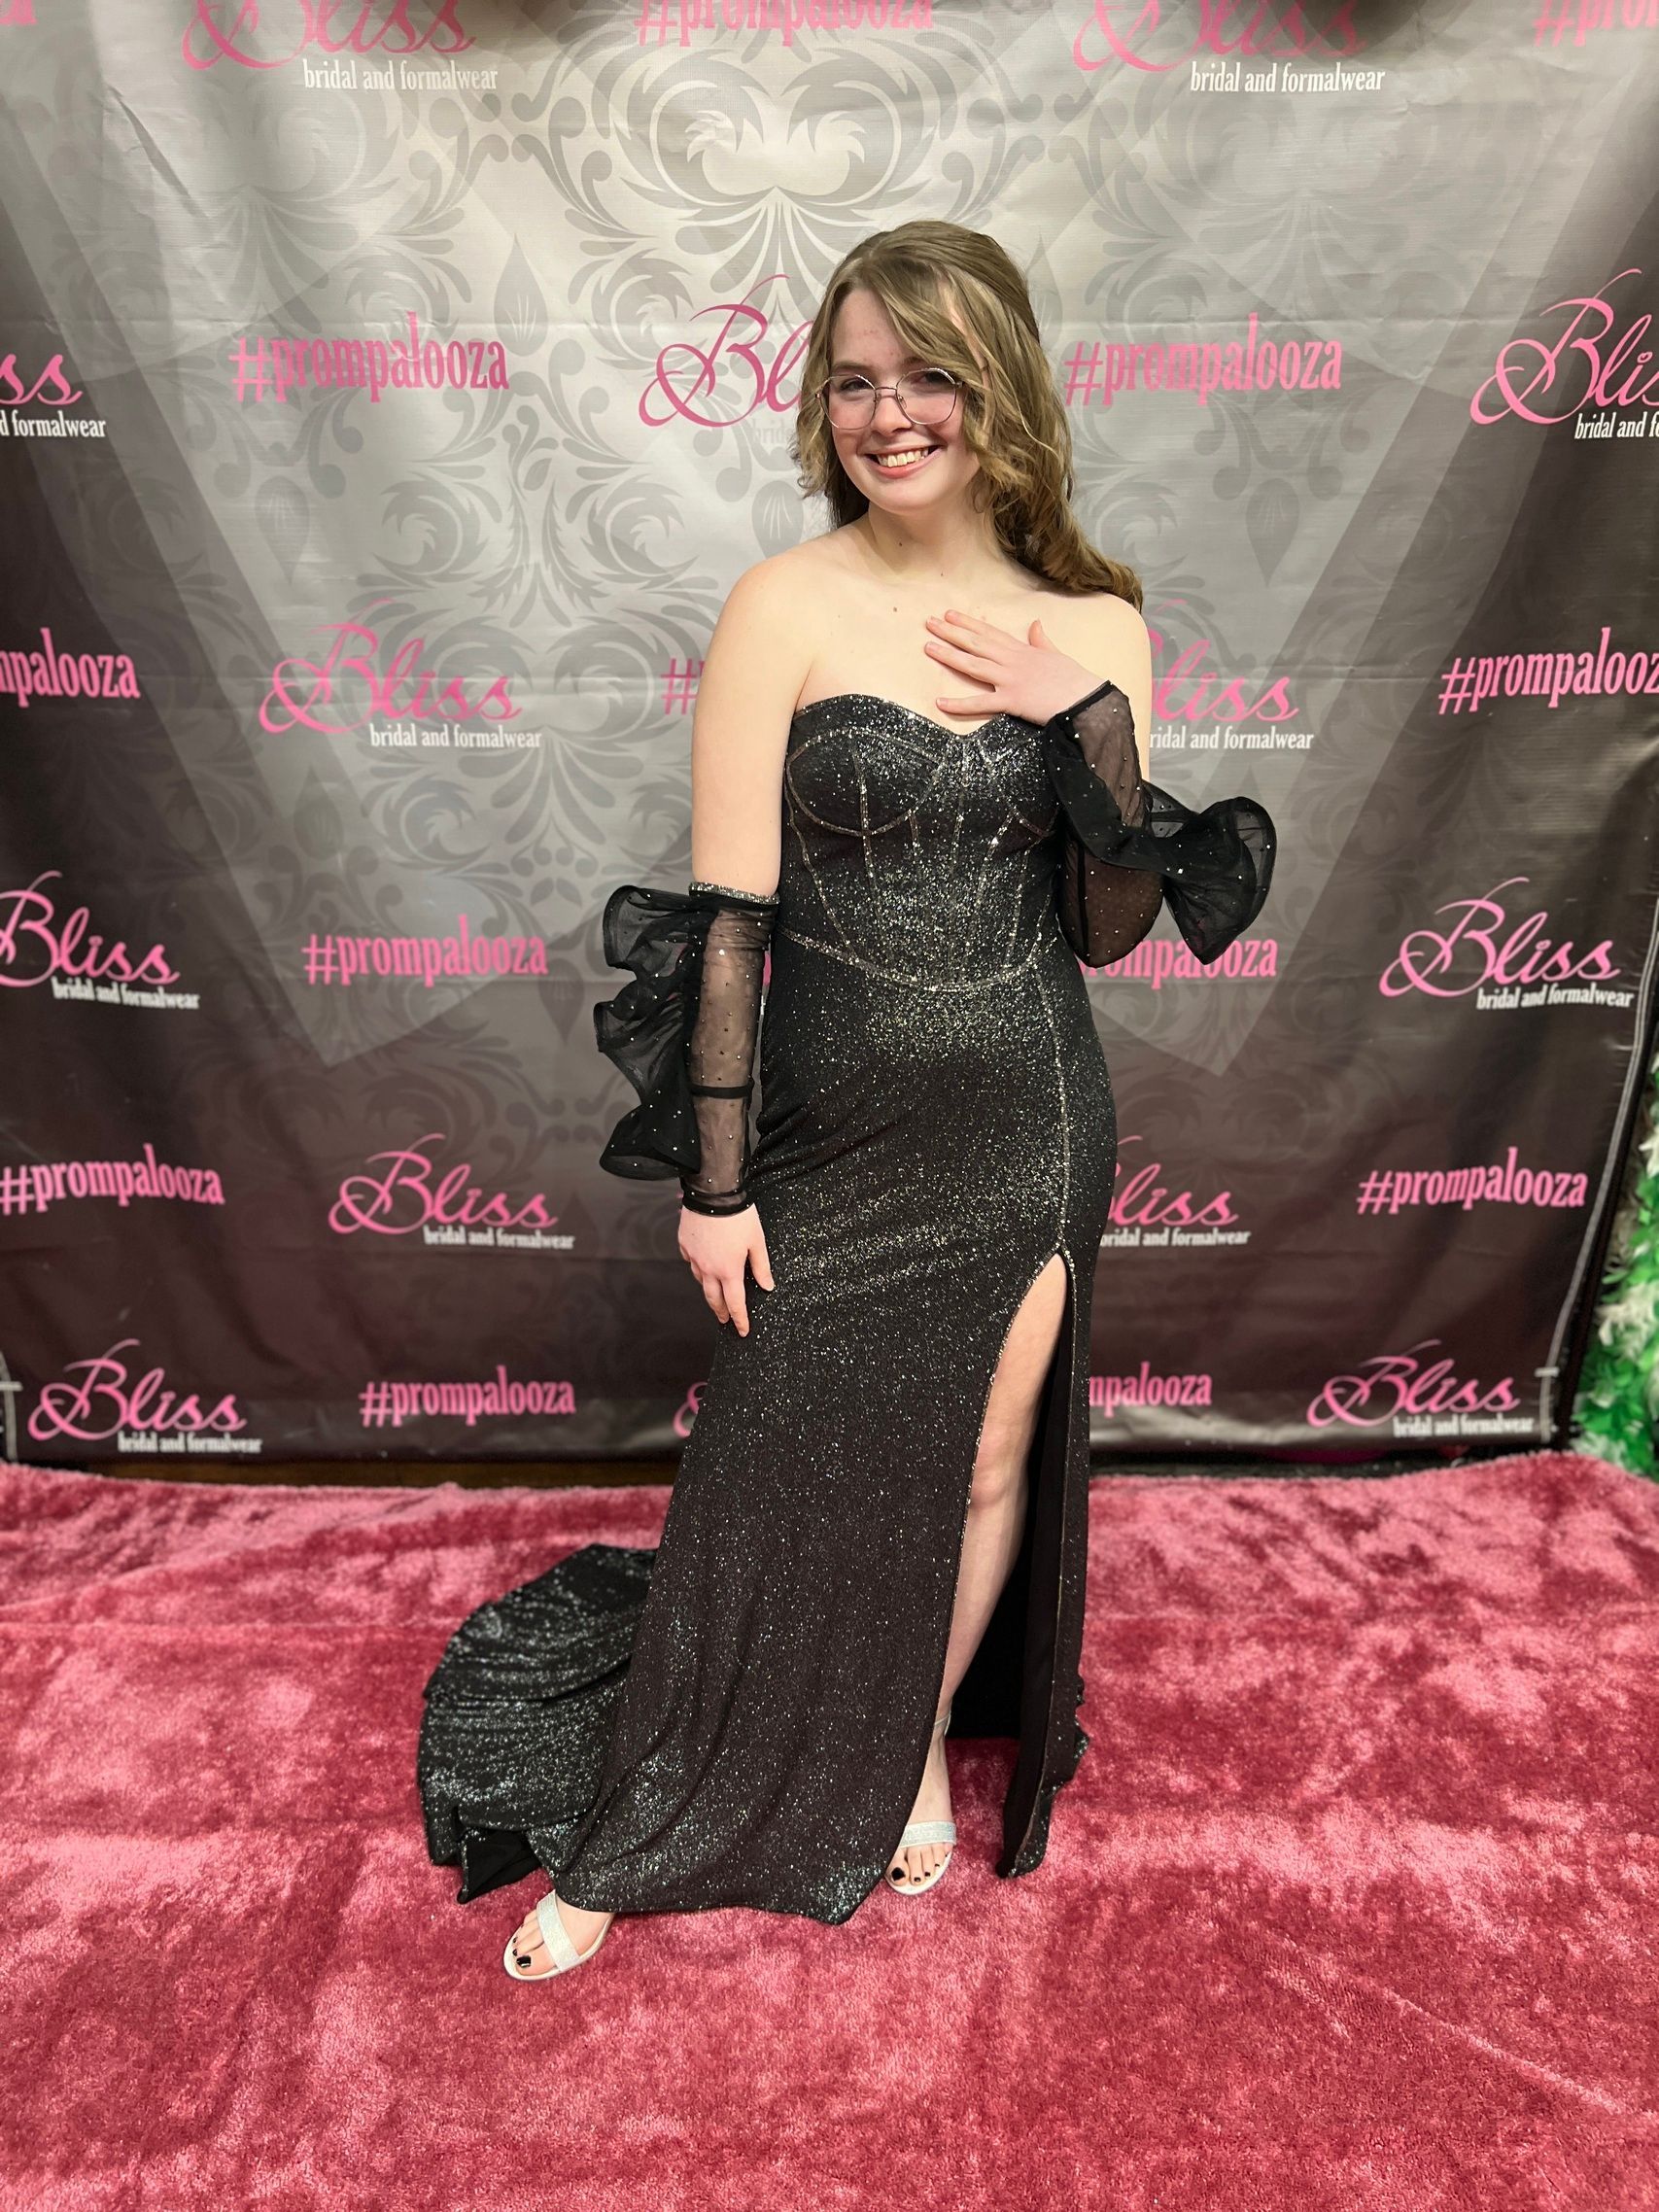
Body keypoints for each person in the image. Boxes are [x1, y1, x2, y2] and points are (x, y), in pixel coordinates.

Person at [416, 218, 1275, 1981]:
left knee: (975, 1466)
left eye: (928, 376)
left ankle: (905, 1757)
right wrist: (715, 1182)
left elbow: (1113, 928)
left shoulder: (1096, 624)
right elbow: (729, 921)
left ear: (999, 388)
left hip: (1028, 1120)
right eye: (857, 382)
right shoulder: (783, 606)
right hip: (827, 1131)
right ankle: (654, 1811)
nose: (889, 416)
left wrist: (1086, 721)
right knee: (759, 1467)